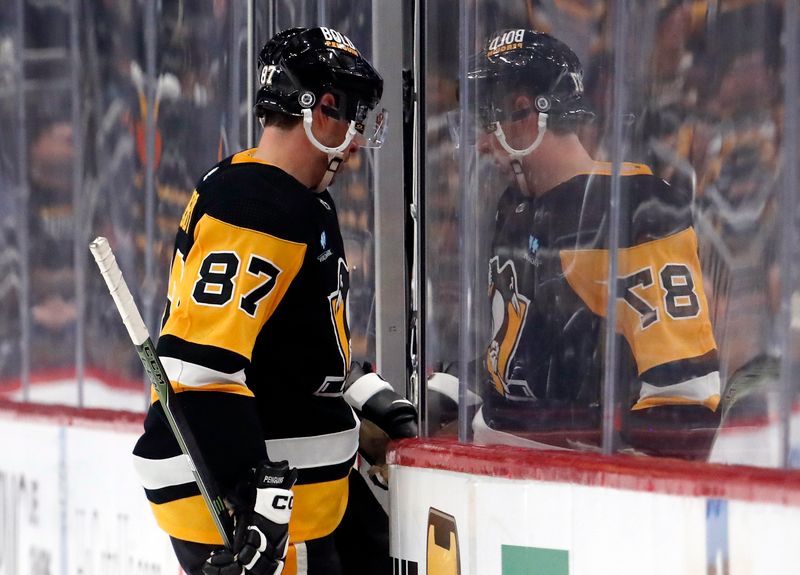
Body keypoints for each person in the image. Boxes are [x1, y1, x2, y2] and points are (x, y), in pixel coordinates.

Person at [131, 26, 411, 575]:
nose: (356, 140)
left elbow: (271, 346)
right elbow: (200, 369)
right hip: (262, 510)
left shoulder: (286, 196)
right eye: (353, 115)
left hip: (293, 496)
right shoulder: (257, 202)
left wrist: (347, 392)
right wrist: (254, 503)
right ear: (322, 108)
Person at [450, 28, 721, 460]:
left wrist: (614, 490)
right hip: (507, 475)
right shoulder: (516, 204)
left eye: (486, 121)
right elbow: (520, 361)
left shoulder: (629, 206)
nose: (481, 143)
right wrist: (450, 387)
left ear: (524, 111)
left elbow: (683, 400)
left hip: (569, 485)